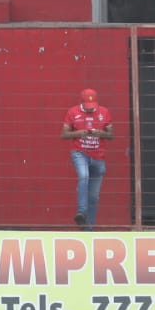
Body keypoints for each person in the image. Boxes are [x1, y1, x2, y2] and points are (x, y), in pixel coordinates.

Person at [61, 88, 112, 227]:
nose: (90, 110)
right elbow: (64, 134)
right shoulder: (72, 112)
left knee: (94, 196)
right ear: (81, 102)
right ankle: (81, 211)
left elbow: (111, 134)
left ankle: (88, 228)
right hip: (79, 152)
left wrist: (99, 133)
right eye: (87, 108)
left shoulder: (104, 112)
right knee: (83, 175)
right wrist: (80, 133)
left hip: (98, 155)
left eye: (92, 108)